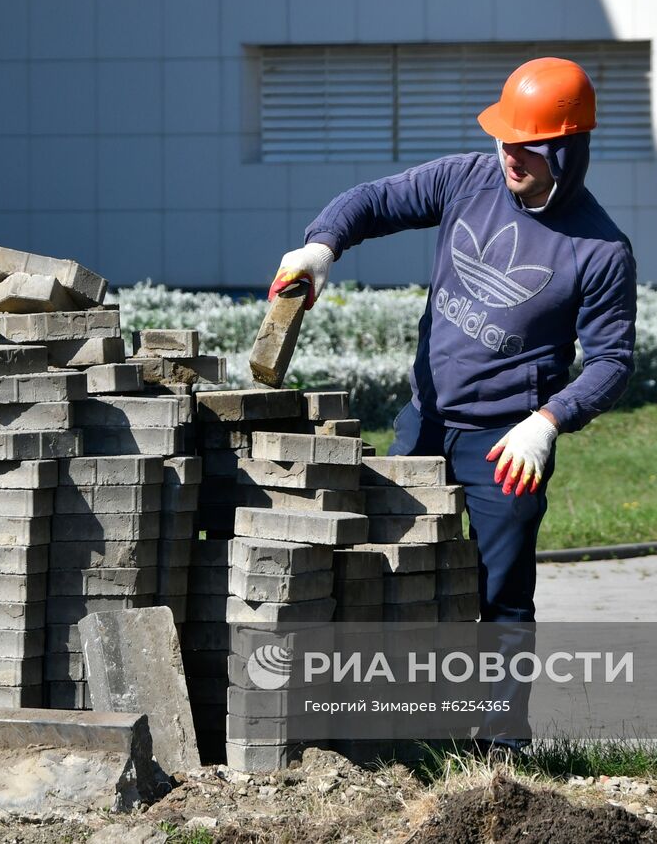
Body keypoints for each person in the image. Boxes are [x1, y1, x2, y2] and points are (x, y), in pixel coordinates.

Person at [268, 57, 638, 745]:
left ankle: (501, 744)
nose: (511, 155)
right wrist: (321, 247)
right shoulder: (467, 178)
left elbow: (612, 363)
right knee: (390, 568)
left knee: (502, 595)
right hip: (427, 420)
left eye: (529, 145)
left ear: (567, 149)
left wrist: (547, 422)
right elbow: (373, 201)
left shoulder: (600, 249)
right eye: (505, 138)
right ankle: (398, 729)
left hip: (508, 445)